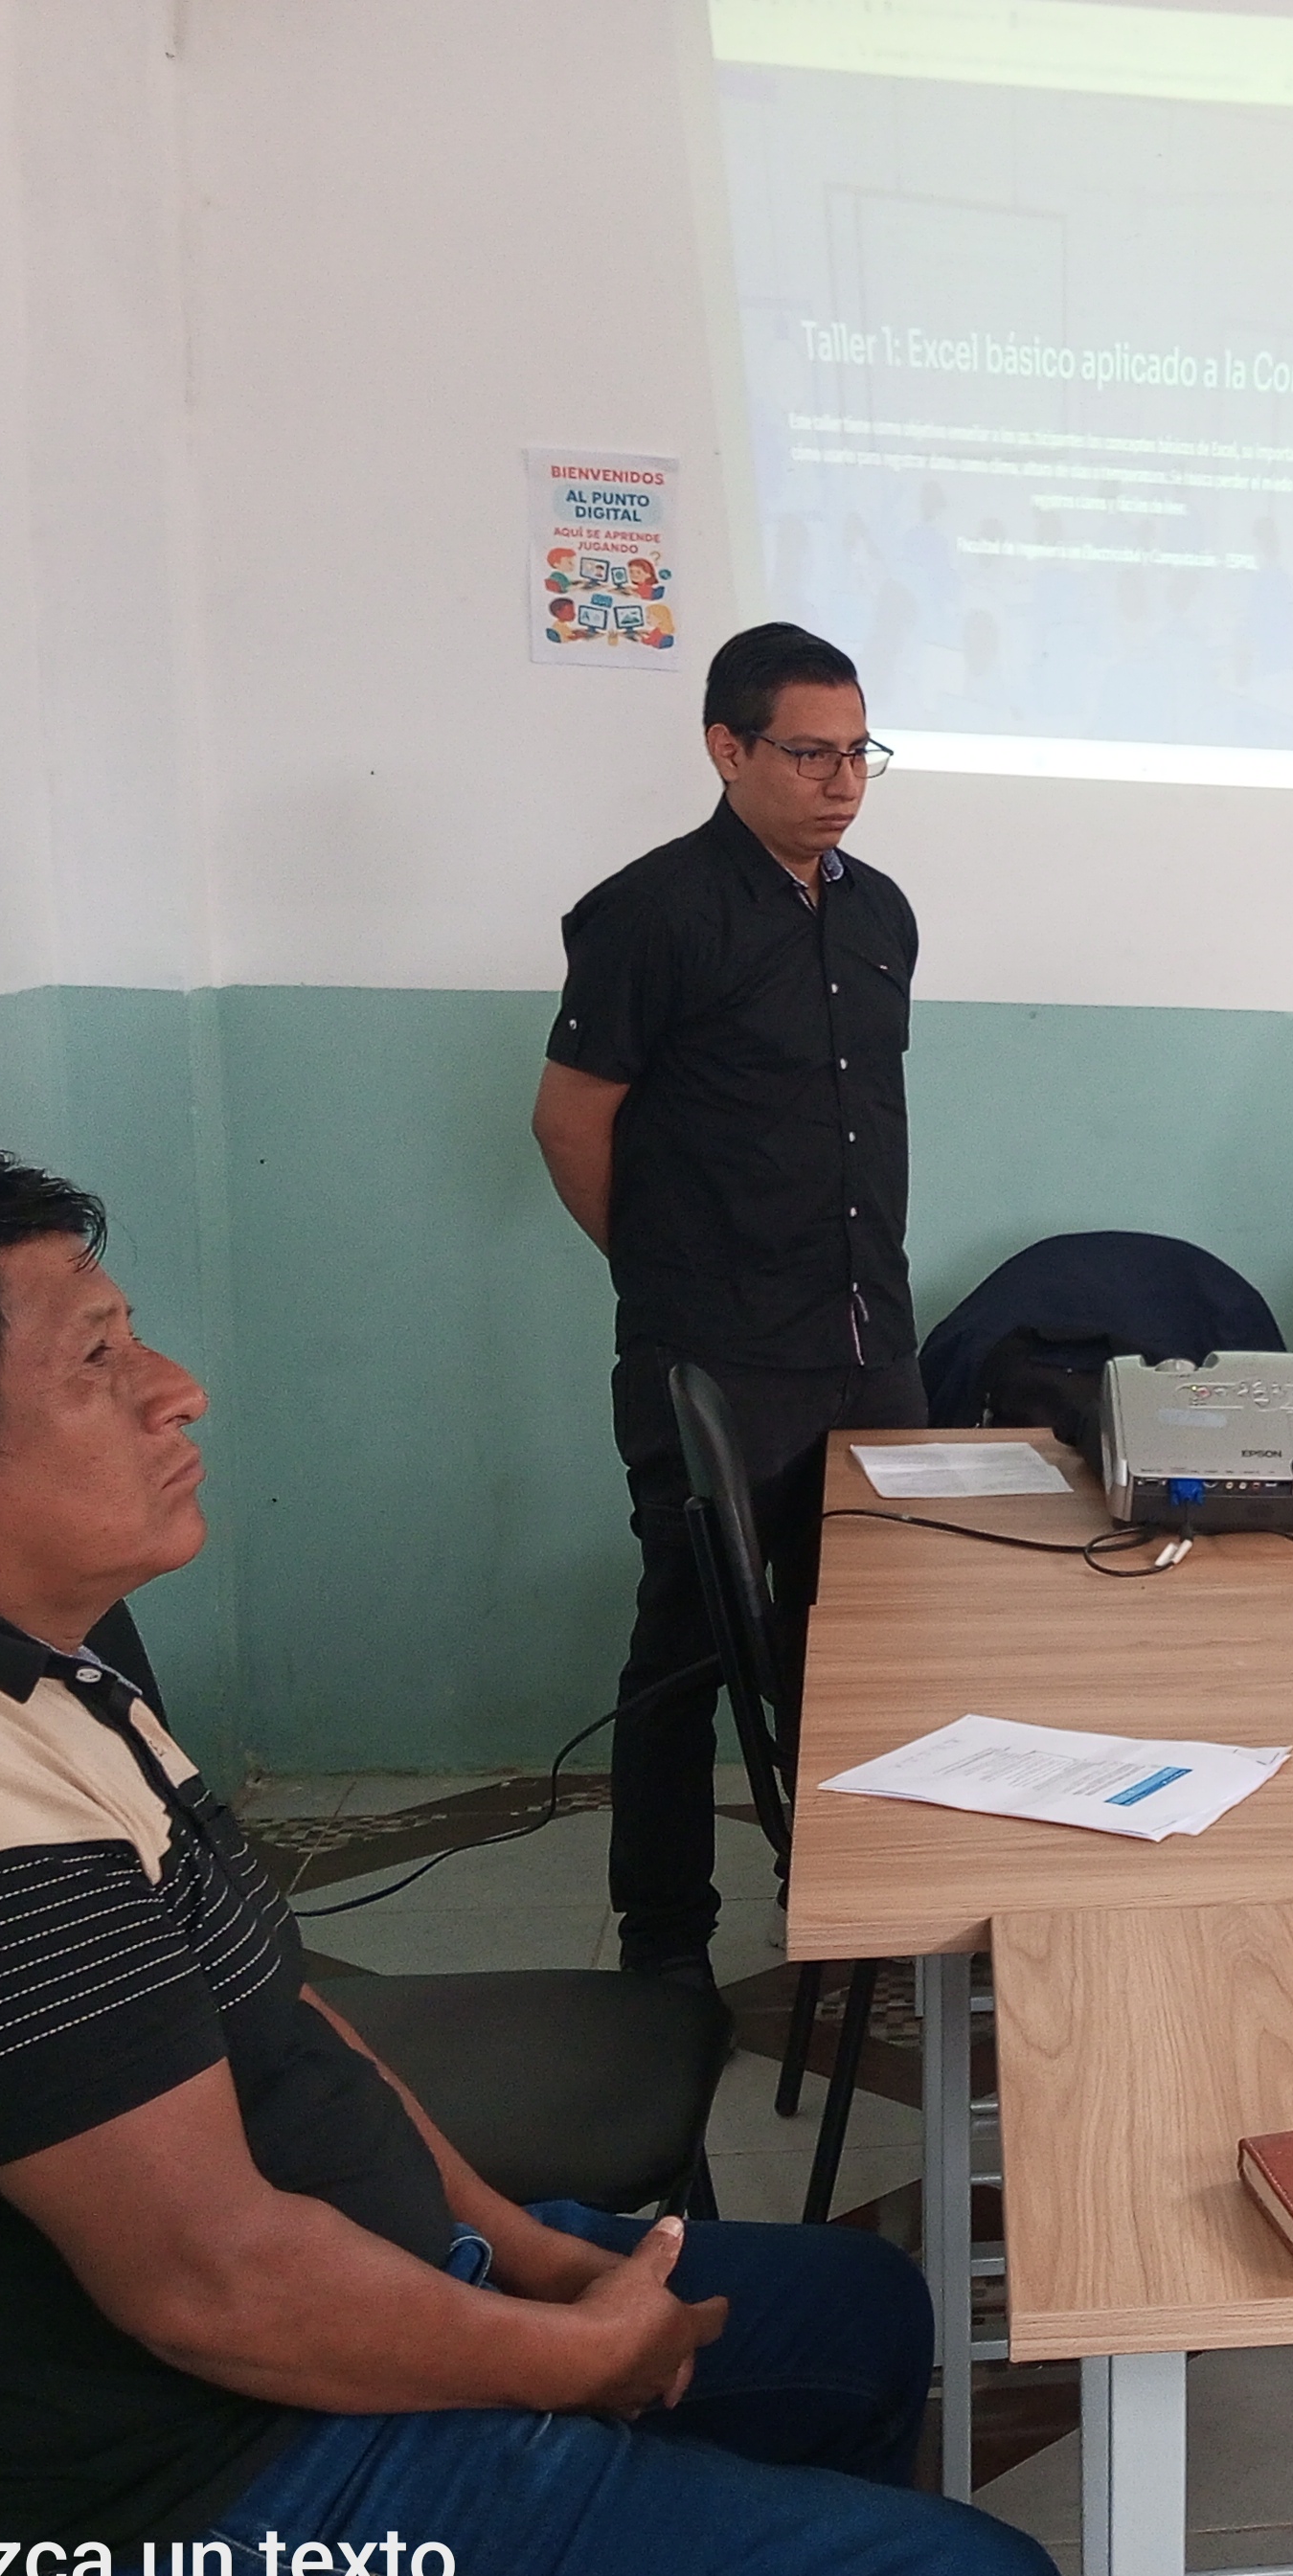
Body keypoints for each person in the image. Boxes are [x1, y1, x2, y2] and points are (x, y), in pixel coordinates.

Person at [0, 1154, 1103, 2576]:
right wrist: (553, 2357)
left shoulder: (30, 1663)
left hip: (290, 2374)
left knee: (853, 2320)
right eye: (98, 1359)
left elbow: (289, 2027)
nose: (176, 1387)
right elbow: (217, 2287)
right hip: (191, 2538)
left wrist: (513, 2248)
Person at [533, 622, 920, 1980]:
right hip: (712, 1354)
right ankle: (664, 1939)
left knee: (863, 1638)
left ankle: (843, 1891)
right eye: (809, 754)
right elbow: (570, 1120)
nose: (842, 782)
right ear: (727, 749)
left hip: (867, 1338)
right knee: (687, 1647)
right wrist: (665, 1274)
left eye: (859, 752)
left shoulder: (879, 912)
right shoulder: (651, 912)